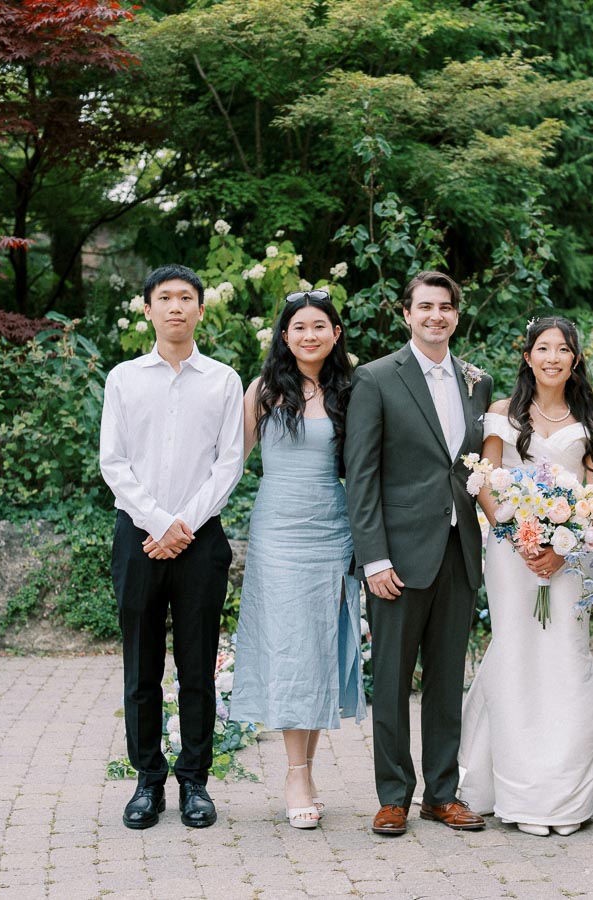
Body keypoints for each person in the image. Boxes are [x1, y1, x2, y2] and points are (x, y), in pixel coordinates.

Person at [457, 316, 593, 837]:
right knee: (517, 654)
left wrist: (564, 537)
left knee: (565, 658)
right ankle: (515, 789)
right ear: (527, 355)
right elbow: (484, 479)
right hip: (511, 555)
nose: (552, 357)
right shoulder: (502, 414)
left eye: (563, 349)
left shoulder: (592, 423)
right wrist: (515, 527)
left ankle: (561, 797)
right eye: (543, 348)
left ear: (575, 359)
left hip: (570, 558)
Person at [344, 270, 493, 836]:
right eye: (425, 306)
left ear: (457, 314)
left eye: (446, 307)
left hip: (459, 548)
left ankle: (443, 793)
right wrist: (374, 558)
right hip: (399, 557)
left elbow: (478, 466)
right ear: (406, 313)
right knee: (391, 679)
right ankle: (393, 795)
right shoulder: (376, 379)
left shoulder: (477, 382)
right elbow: (361, 477)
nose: (437, 316)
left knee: (446, 679)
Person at [100, 264, 245, 830]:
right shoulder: (124, 378)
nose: (177, 307)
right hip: (138, 536)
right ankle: (146, 782)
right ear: (148, 309)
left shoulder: (224, 380)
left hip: (201, 538)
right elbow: (113, 462)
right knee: (141, 668)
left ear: (201, 310)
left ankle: (195, 783)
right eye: (166, 298)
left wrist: (182, 523)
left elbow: (229, 462)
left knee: (197, 669)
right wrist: (158, 522)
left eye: (187, 298)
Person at [226, 290, 366, 830]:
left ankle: (304, 768)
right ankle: (295, 774)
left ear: (335, 334)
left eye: (320, 327)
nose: (310, 335)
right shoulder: (262, 390)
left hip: (333, 526)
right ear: (284, 336)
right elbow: (229, 462)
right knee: (289, 646)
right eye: (299, 327)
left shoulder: (351, 392)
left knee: (317, 645)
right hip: (279, 529)